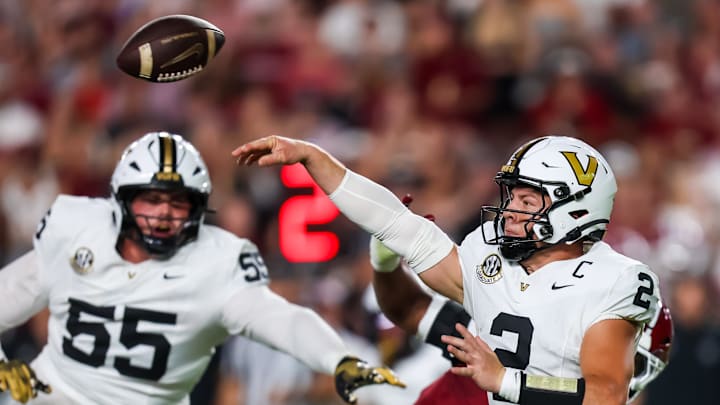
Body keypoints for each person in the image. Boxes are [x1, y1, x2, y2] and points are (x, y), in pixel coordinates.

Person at [233, 134, 663, 405]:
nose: (511, 210)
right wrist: (314, 158)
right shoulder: (488, 256)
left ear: (577, 210)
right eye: (513, 196)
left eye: (528, 201)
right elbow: (397, 226)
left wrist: (503, 381)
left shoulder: (618, 280)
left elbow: (606, 395)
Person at [0, 131, 404, 404]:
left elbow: (279, 319)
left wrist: (338, 358)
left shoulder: (216, 262)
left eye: (178, 203)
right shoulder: (77, 231)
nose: (163, 215)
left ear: (197, 211)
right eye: (151, 199)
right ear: (121, 200)